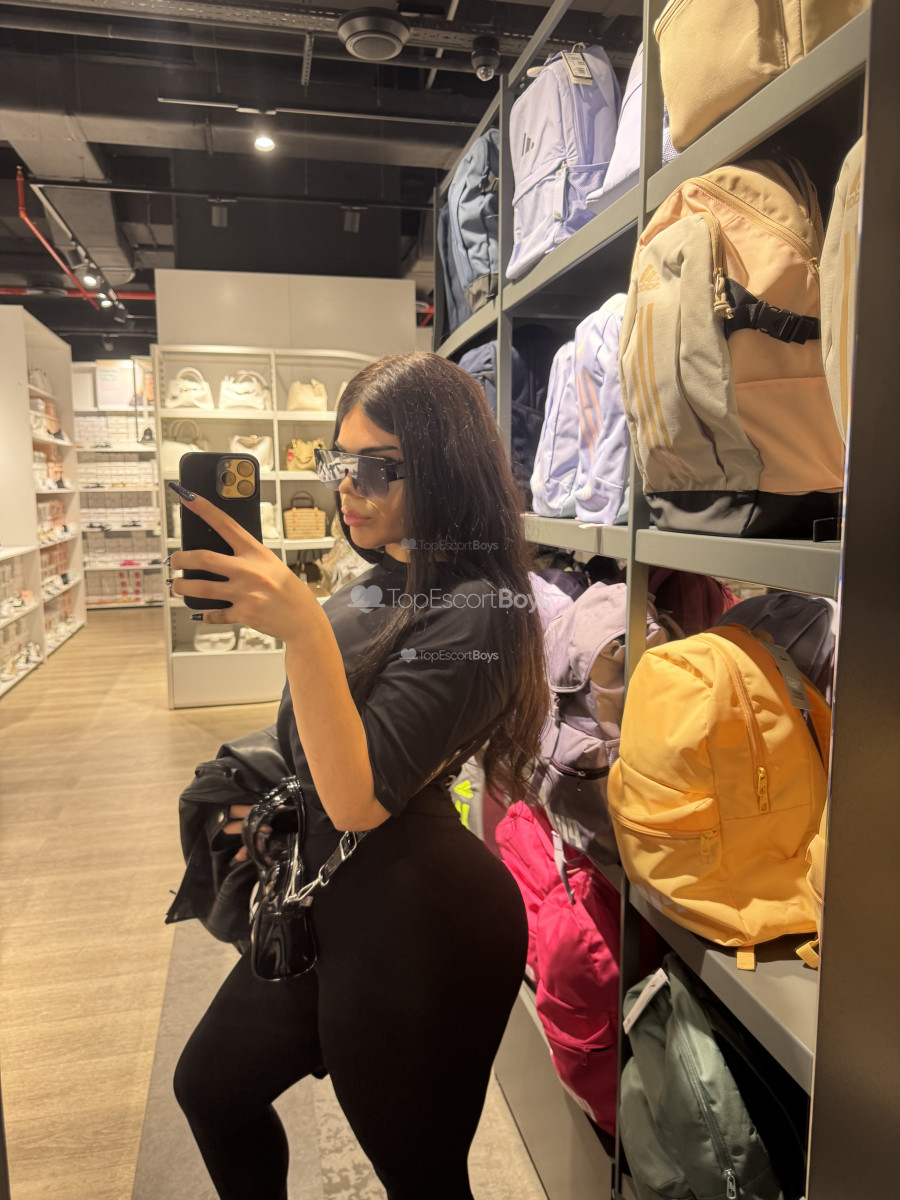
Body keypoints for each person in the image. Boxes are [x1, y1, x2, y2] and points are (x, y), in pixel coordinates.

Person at [169, 352, 550, 1200]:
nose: (349, 487)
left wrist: (303, 631)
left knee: (419, 1177)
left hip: (423, 928)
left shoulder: (483, 611)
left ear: (445, 466)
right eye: (338, 462)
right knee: (211, 1090)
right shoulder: (383, 580)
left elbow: (357, 799)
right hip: (329, 897)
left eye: (379, 468)